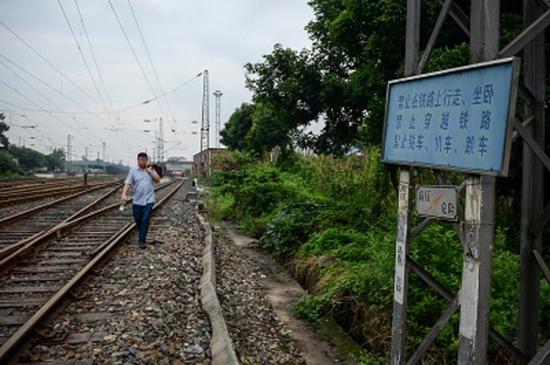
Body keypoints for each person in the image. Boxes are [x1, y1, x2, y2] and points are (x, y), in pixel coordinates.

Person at [121, 152, 160, 249]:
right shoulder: (133, 171)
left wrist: (150, 171)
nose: (142, 162)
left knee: (145, 219)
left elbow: (158, 179)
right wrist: (124, 193)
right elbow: (127, 183)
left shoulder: (151, 170)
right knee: (138, 219)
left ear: (147, 160)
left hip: (149, 200)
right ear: (137, 160)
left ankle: (142, 241)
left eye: (144, 160)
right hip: (137, 200)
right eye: (140, 160)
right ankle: (142, 231)